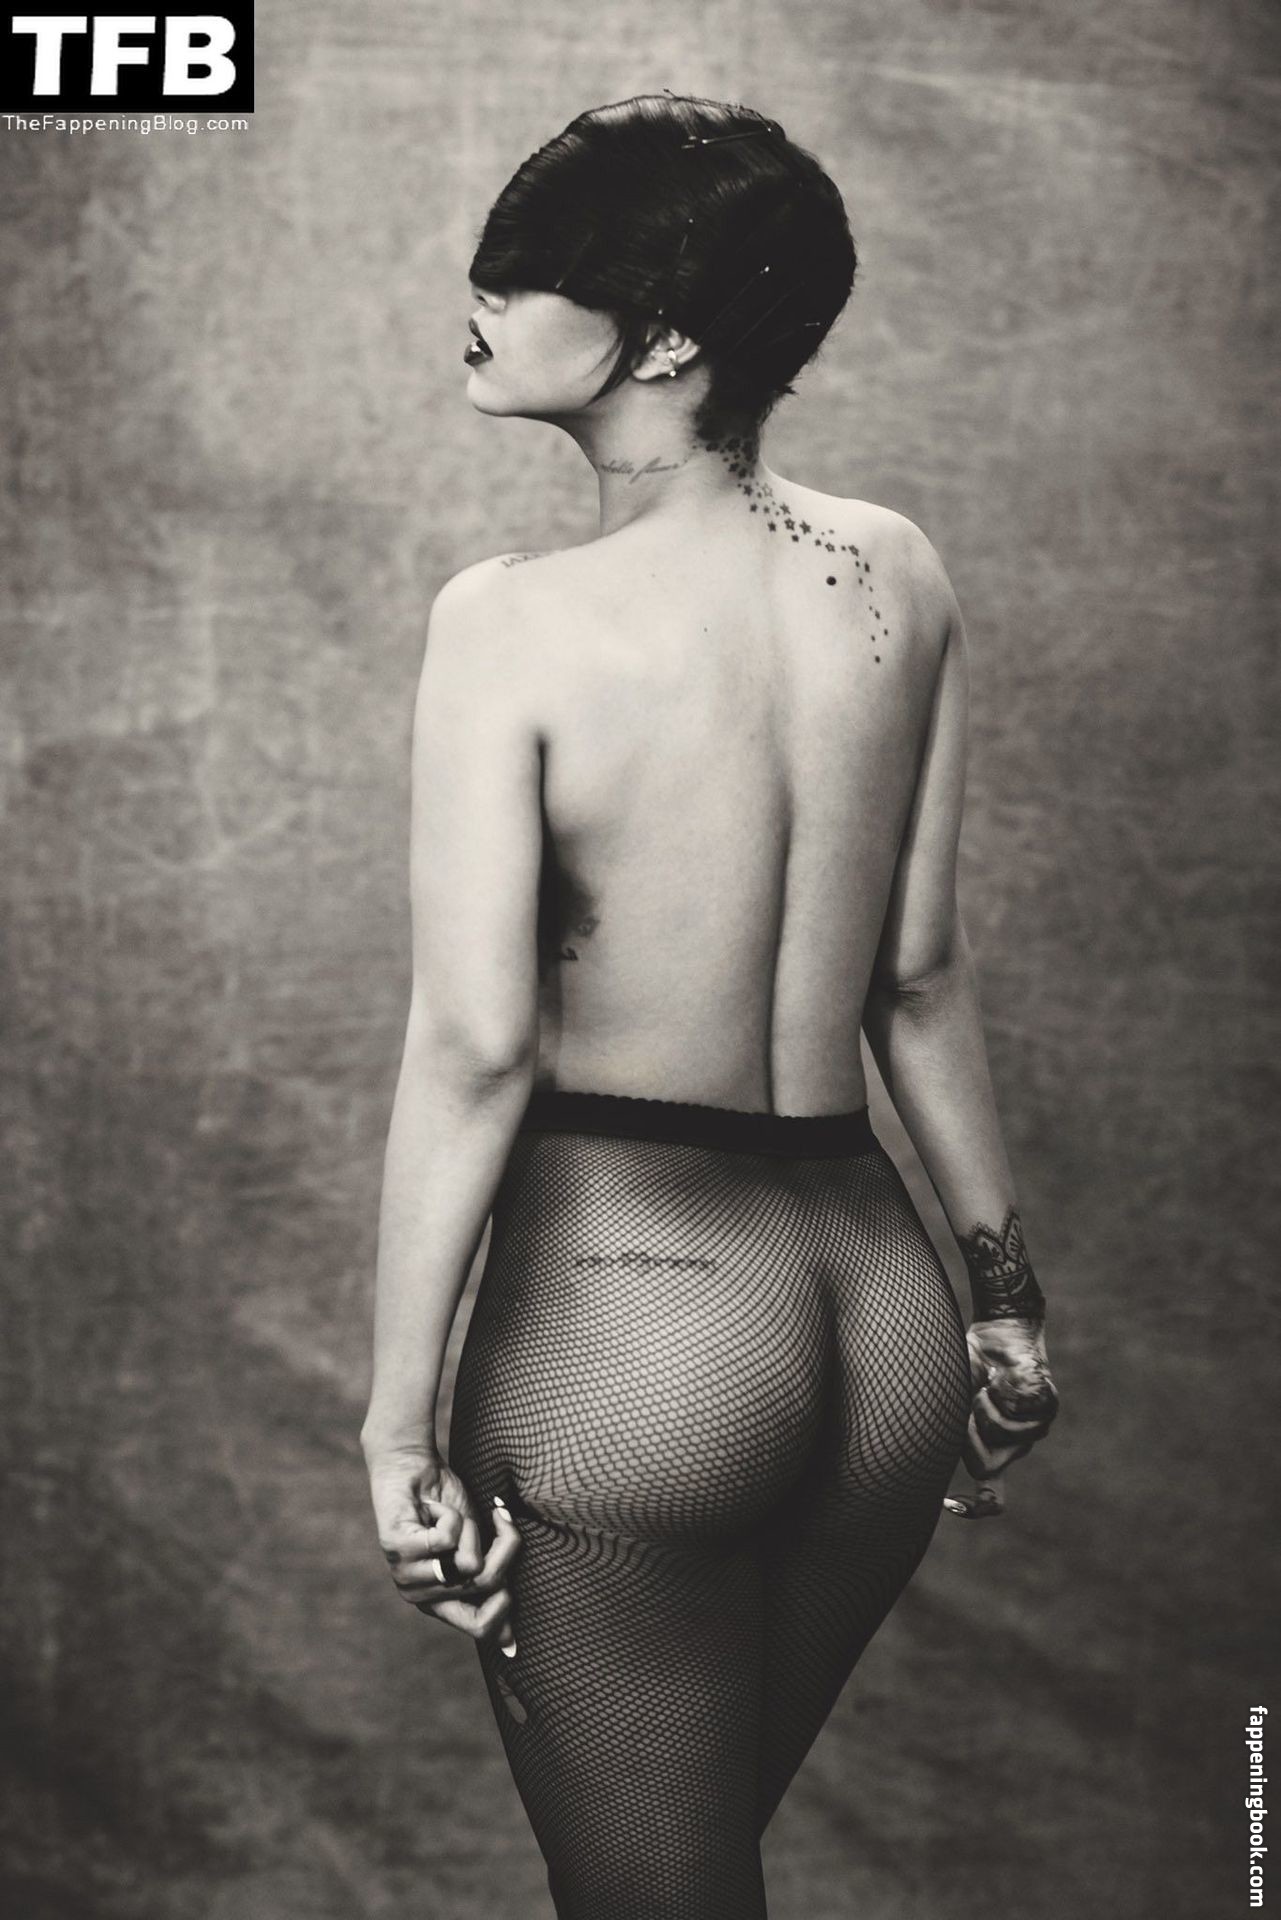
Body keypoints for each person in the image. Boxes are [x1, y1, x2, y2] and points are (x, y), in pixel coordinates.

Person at [360, 92, 1060, 1918]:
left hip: (637, 1329)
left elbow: (476, 1046)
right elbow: (916, 977)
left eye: (530, 273)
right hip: (878, 1325)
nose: (480, 297)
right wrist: (1000, 1305)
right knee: (681, 1874)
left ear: (665, 340)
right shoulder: (894, 572)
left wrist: (393, 1429)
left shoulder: (508, 622)